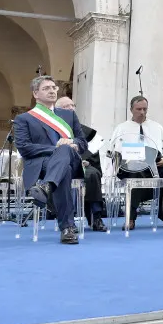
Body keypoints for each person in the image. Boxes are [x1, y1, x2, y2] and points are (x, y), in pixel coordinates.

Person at [13, 76, 86, 244]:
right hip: (42, 164)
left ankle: (47, 187)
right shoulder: (24, 119)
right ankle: (67, 227)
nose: (52, 90)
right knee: (64, 169)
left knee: (67, 151)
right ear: (35, 93)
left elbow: (83, 143)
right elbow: (24, 147)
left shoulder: (69, 115)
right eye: (46, 88)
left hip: (71, 160)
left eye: (54, 87)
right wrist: (57, 148)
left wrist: (73, 144)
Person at [109, 96, 163, 230]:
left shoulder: (157, 127)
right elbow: (113, 153)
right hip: (129, 167)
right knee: (135, 171)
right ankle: (130, 218)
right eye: (138, 109)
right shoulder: (121, 128)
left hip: (154, 166)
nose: (142, 112)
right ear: (131, 109)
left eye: (145, 109)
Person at [55, 97, 106, 232]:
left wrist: (87, 161)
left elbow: (93, 155)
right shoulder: (52, 129)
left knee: (93, 174)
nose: (71, 108)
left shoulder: (86, 132)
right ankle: (68, 221)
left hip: (83, 167)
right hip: (62, 167)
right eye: (66, 106)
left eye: (73, 105)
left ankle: (96, 217)